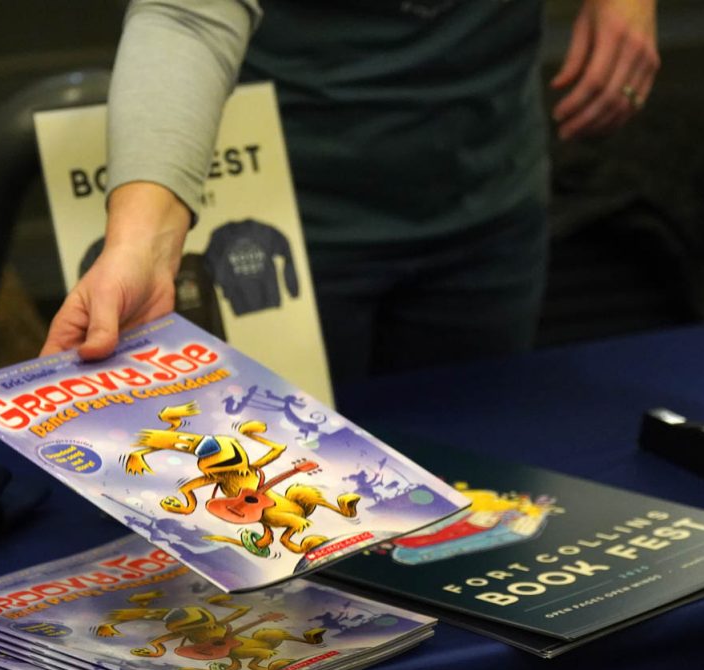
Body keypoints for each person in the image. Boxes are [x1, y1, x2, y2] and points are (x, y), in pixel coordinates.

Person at [41, 0, 659, 389]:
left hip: (489, 192)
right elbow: (189, 15)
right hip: (294, 213)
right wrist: (140, 244)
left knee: (478, 505)